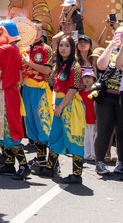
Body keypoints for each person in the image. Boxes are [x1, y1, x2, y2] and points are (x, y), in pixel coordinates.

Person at [0, 21, 31, 181]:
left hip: (6, 95)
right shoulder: (10, 49)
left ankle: (24, 165)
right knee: (1, 129)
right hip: (3, 93)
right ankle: (9, 163)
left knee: (8, 130)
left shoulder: (9, 49)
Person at [33, 37, 85, 185]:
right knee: (55, 135)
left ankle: (77, 174)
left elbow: (73, 90)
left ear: (72, 48)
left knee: (73, 137)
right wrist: (54, 104)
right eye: (61, 45)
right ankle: (50, 167)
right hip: (58, 105)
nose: (63, 48)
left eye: (67, 45)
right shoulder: (59, 66)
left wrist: (61, 106)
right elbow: (55, 88)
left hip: (70, 106)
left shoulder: (75, 67)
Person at [94, 28, 123, 177]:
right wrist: (111, 46)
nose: (121, 37)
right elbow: (101, 66)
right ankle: (99, 161)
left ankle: (121, 161)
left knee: (122, 130)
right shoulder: (111, 50)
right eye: (118, 34)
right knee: (104, 129)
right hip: (106, 96)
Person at [20, 21, 53, 166]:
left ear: (42, 32)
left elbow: (47, 70)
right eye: (32, 29)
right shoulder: (25, 49)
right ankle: (40, 157)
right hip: (27, 89)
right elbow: (21, 72)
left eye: (38, 30)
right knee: (31, 124)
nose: (35, 32)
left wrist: (29, 63)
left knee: (44, 123)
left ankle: (53, 161)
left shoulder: (46, 49)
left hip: (40, 90)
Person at [79, 68, 97, 162]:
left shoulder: (95, 92)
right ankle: (86, 153)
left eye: (89, 77)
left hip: (93, 117)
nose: (86, 79)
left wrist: (97, 117)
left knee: (93, 136)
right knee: (86, 137)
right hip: (84, 118)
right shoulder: (81, 92)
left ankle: (94, 154)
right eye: (85, 77)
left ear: (93, 79)